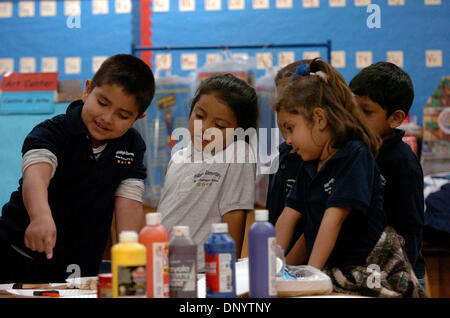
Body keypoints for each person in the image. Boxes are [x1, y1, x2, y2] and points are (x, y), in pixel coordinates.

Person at [274, 58, 425, 297]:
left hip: (371, 273)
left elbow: (332, 221)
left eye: (291, 128)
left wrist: (308, 280)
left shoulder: (356, 156)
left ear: (320, 120)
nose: (288, 141)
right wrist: (279, 272)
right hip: (334, 270)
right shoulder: (310, 162)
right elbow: (293, 220)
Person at [0, 54, 155, 283]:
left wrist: (129, 252)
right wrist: (40, 216)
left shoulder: (132, 146)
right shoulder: (52, 132)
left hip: (80, 265)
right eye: (102, 102)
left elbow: (129, 201)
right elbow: (36, 175)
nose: (107, 118)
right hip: (19, 253)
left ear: (137, 118)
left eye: (123, 115)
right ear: (87, 90)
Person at [158, 73, 258, 269]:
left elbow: (234, 215)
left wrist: (225, 276)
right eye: (199, 115)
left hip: (204, 273)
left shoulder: (238, 153)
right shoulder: (178, 156)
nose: (204, 128)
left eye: (219, 125)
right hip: (162, 268)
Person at [349, 61, 426, 290]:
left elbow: (410, 228)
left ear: (395, 118)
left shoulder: (403, 163)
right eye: (351, 108)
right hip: (367, 273)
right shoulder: (356, 151)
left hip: (399, 277)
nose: (354, 118)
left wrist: (400, 281)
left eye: (366, 111)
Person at [265, 61, 307, 254]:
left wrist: (286, 265)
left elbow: (313, 227)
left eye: (289, 105)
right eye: (278, 103)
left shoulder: (312, 159)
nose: (280, 112)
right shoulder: (282, 154)